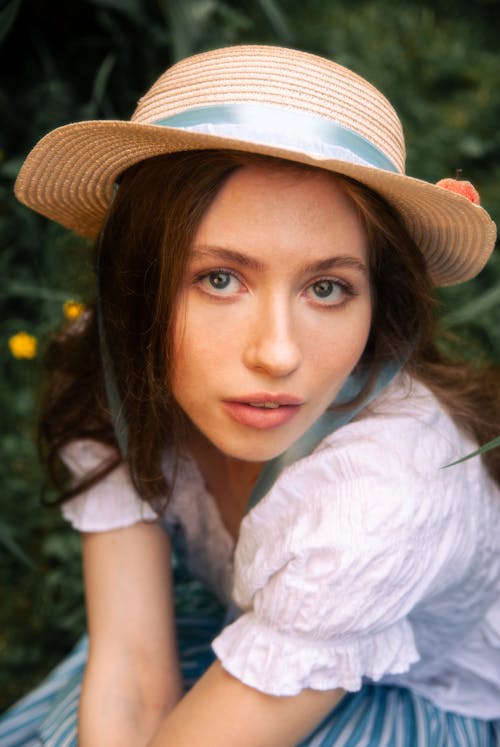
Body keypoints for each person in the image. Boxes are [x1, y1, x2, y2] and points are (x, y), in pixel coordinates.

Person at [1, 43, 499, 747]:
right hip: (267, 636)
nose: (277, 353)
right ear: (136, 282)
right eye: (219, 279)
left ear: (377, 302)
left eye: (327, 288)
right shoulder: (110, 372)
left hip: (419, 686)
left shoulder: (376, 495)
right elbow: (135, 669)